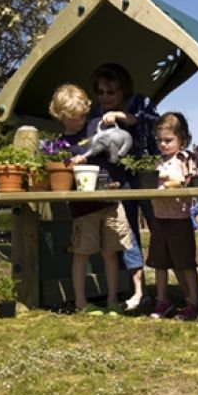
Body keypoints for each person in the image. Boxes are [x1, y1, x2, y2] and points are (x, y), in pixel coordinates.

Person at [49, 83, 132, 315]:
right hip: (84, 207)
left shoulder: (97, 126)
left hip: (110, 201)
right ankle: (81, 303)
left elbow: (118, 140)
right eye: (75, 118)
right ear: (61, 117)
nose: (80, 121)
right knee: (82, 253)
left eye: (83, 115)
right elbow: (59, 174)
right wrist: (70, 163)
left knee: (111, 253)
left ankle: (113, 299)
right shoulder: (60, 144)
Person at [90, 63, 159, 310]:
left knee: (159, 229)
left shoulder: (139, 103)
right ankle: (139, 292)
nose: (105, 97)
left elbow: (154, 128)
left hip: (148, 175)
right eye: (101, 92)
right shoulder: (96, 115)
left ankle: (167, 291)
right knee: (128, 235)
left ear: (123, 91)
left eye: (111, 92)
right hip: (119, 181)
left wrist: (123, 117)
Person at [146, 111, 198, 320]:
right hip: (159, 217)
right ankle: (162, 301)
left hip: (179, 219)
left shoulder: (185, 158)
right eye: (159, 140)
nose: (163, 144)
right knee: (160, 262)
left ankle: (194, 302)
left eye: (168, 140)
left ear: (183, 139)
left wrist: (168, 179)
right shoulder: (157, 162)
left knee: (185, 262)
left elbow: (188, 179)